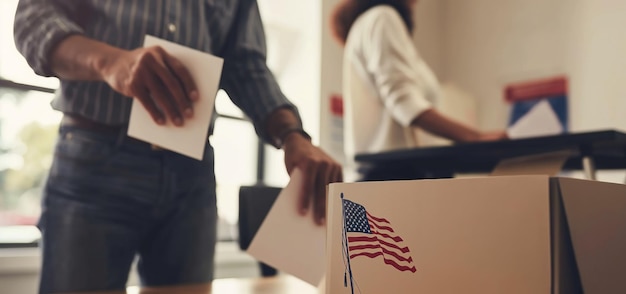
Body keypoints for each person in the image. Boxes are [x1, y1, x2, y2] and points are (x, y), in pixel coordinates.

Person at [13, 0, 342, 293]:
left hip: (191, 172)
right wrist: (110, 62)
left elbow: (246, 65)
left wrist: (292, 135)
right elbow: (34, 19)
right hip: (95, 157)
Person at [330, 0, 506, 181]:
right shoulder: (382, 17)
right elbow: (404, 103)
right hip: (391, 177)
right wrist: (475, 138)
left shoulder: (372, 21)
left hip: (389, 177)